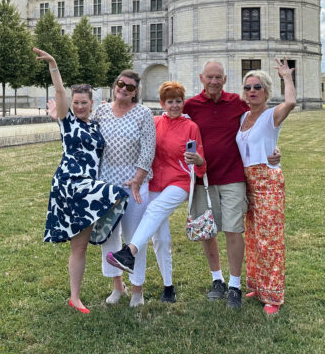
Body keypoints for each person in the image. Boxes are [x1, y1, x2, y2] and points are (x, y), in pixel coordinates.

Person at [34, 47, 129, 314]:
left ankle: (84, 294)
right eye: (75, 102)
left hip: (88, 186)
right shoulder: (67, 122)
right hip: (71, 183)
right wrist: (53, 64)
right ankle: (76, 296)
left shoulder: (96, 125)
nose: (78, 106)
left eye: (83, 102)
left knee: (80, 244)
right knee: (116, 193)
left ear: (92, 103)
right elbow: (60, 93)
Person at [182, 61, 280, 310]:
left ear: (224, 80)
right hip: (203, 179)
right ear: (202, 78)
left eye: (218, 77)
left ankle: (235, 285)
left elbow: (264, 121)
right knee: (207, 231)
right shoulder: (191, 105)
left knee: (234, 231)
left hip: (233, 177)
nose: (213, 81)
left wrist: (274, 149)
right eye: (209, 77)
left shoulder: (237, 103)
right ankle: (218, 280)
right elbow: (173, 124)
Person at [107, 81, 206, 303]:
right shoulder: (153, 123)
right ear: (162, 103)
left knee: (153, 209)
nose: (174, 105)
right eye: (170, 101)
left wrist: (198, 160)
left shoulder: (191, 127)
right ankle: (168, 287)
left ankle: (129, 251)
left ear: (183, 103)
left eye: (178, 101)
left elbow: (201, 165)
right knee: (161, 237)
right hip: (154, 184)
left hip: (179, 183)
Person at [92, 70, 156, 307]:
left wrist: (138, 179)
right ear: (115, 85)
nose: (124, 89)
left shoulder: (143, 114)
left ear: (136, 92)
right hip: (107, 187)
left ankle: (137, 291)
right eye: (121, 84)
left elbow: (148, 150)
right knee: (109, 238)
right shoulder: (101, 111)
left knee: (133, 241)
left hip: (134, 188)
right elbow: (94, 145)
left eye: (130, 87)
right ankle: (118, 286)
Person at [237, 59, 296, 315]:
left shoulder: (271, 115)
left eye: (257, 87)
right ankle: (257, 285)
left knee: (269, 239)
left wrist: (287, 77)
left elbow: (291, 103)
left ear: (267, 92)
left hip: (268, 180)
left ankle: (273, 295)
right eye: (248, 86)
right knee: (252, 237)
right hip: (247, 181)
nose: (252, 90)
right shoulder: (242, 117)